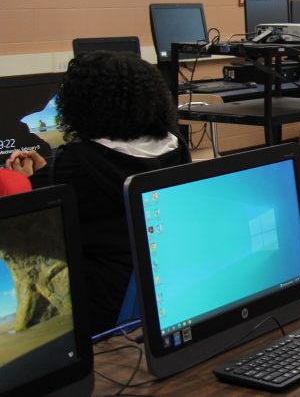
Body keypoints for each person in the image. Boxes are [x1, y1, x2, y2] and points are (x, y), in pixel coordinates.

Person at [7, 51, 190, 334]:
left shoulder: (75, 164)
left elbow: (38, 214)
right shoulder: (176, 146)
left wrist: (26, 182)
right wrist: (48, 172)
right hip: (162, 292)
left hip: (101, 304)